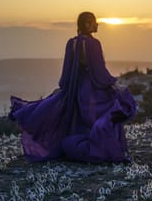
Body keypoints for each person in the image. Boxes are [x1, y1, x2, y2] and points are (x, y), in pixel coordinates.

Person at [9, 11, 136, 163]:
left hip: (76, 89)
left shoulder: (72, 43)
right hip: (92, 90)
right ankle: (101, 149)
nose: (97, 24)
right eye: (94, 21)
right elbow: (99, 71)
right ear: (87, 23)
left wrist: (65, 90)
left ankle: (76, 147)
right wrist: (114, 83)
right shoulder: (94, 44)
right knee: (109, 111)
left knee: (79, 121)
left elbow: (66, 74)